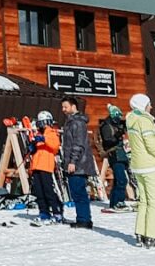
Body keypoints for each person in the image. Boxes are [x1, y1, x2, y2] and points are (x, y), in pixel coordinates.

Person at [126, 93, 155, 248]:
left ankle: (140, 233)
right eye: (149, 104)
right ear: (143, 105)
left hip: (138, 165)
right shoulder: (145, 121)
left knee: (144, 201)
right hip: (150, 165)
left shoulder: (131, 120)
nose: (151, 106)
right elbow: (151, 144)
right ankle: (152, 236)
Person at [60, 95, 95, 229]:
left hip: (79, 164)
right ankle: (82, 218)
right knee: (76, 192)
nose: (63, 109)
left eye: (65, 107)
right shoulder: (71, 121)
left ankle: (84, 219)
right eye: (63, 107)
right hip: (75, 163)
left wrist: (72, 161)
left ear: (73, 106)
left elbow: (78, 144)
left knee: (79, 191)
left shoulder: (77, 123)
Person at [29, 110, 64, 224]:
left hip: (46, 165)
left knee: (48, 190)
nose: (43, 125)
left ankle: (57, 212)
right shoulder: (39, 134)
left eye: (44, 122)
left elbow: (55, 146)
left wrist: (44, 139)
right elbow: (36, 150)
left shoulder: (51, 133)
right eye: (41, 123)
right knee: (39, 191)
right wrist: (32, 147)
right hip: (37, 165)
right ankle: (43, 212)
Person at [99, 103, 130, 211]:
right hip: (114, 154)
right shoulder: (107, 125)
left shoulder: (115, 124)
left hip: (120, 154)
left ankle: (114, 202)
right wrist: (117, 135)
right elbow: (108, 140)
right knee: (122, 180)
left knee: (118, 180)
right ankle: (119, 201)